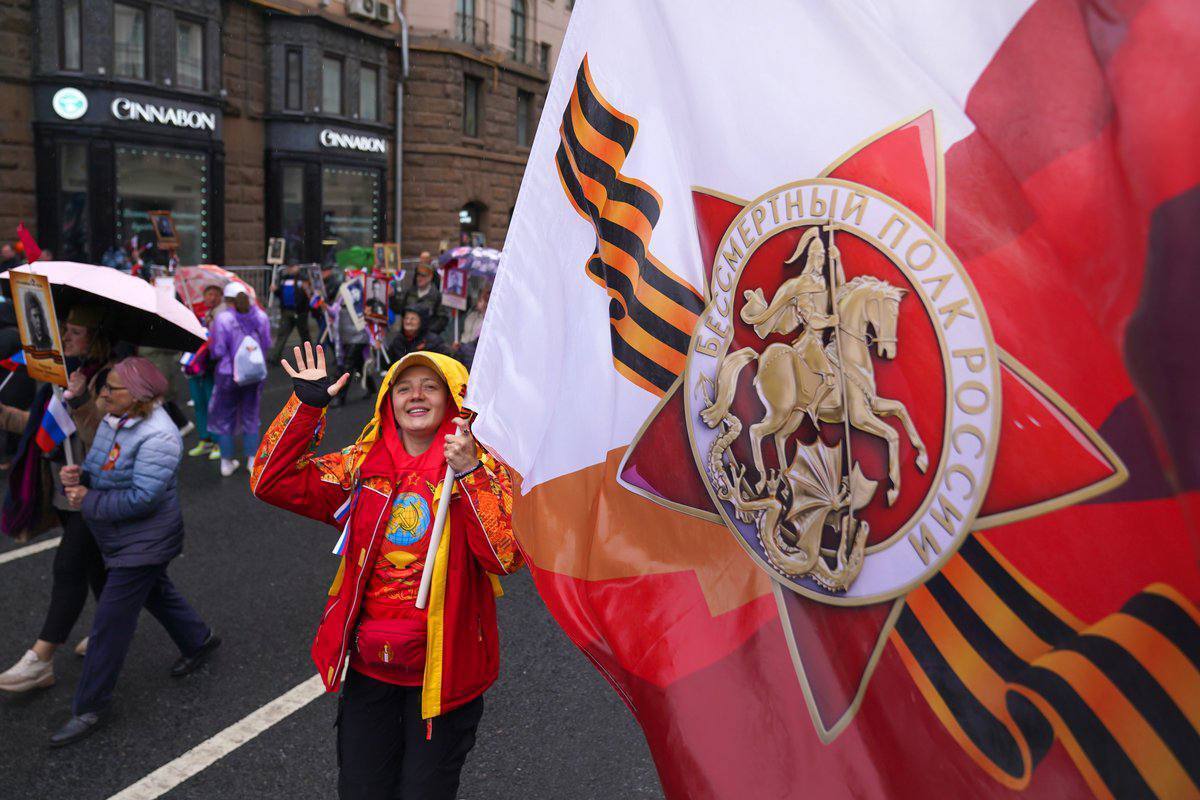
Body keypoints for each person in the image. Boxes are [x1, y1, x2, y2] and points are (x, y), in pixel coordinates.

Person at [251, 344, 522, 799]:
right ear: (388, 400)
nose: (416, 396)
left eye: (430, 386)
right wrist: (306, 407)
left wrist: (470, 471)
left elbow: (506, 556)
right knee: (361, 791)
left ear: (453, 399)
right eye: (404, 387)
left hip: (444, 677)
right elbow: (270, 481)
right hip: (370, 672)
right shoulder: (362, 465)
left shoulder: (483, 466)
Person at [49, 357, 219, 746]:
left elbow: (143, 498)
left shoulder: (159, 436)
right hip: (123, 536)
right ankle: (198, 639)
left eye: (112, 388)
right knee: (156, 592)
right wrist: (79, 476)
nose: (104, 394)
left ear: (139, 394)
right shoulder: (115, 419)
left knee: (110, 624)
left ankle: (90, 706)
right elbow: (99, 468)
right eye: (104, 386)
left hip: (145, 541)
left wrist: (88, 499)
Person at [0, 305, 116, 691]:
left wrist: (80, 400)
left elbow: (104, 439)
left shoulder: (110, 378)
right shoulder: (63, 373)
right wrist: (3, 415)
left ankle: (41, 659)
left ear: (96, 339)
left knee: (68, 566)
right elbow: (41, 426)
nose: (65, 337)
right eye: (65, 329)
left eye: (75, 332)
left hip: (94, 491)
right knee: (96, 567)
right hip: (63, 492)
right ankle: (126, 629)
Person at [208, 283, 271, 477]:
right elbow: (267, 343)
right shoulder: (261, 316)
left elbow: (218, 350)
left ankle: (226, 462)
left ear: (227, 300)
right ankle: (252, 460)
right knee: (251, 415)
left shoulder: (222, 319)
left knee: (225, 416)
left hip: (227, 374)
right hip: (254, 374)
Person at [185, 284, 223, 460]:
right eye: (209, 294)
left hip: (212, 367)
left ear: (221, 297)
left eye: (215, 294)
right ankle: (205, 439)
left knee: (213, 405)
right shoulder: (198, 313)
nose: (212, 298)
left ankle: (218, 442)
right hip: (194, 365)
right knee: (199, 404)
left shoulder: (224, 316)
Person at [392, 255, 448, 335]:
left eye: (423, 275)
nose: (419, 278)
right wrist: (392, 297)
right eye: (418, 275)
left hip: (427, 338)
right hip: (408, 336)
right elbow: (400, 310)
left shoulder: (437, 296)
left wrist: (429, 332)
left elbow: (442, 319)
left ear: (430, 277)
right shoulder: (410, 292)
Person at [270, 264, 312, 362]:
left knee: (304, 336)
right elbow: (280, 294)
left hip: (300, 312)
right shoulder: (284, 279)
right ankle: (275, 357)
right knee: (282, 334)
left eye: (293, 266)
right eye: (289, 266)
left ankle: (309, 358)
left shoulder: (303, 278)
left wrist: (307, 289)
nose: (291, 268)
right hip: (286, 311)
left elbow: (309, 295)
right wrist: (275, 290)